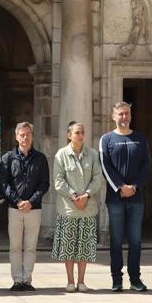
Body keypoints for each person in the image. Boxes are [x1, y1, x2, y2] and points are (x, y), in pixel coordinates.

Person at [99, 101, 152, 291]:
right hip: (115, 199)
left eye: (127, 113)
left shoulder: (141, 138)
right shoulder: (106, 139)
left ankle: (135, 279)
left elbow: (147, 166)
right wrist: (120, 187)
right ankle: (116, 279)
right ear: (114, 117)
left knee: (136, 241)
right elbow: (105, 166)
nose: (124, 117)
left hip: (136, 198)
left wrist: (135, 186)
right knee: (116, 240)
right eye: (120, 114)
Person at [52, 121, 106, 291]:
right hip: (68, 208)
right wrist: (74, 196)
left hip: (88, 208)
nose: (80, 135)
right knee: (68, 246)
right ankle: (70, 281)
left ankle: (81, 281)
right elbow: (58, 181)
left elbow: (98, 178)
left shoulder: (93, 154)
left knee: (84, 246)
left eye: (82, 132)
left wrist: (87, 195)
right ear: (69, 135)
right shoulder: (61, 154)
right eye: (77, 132)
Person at [0, 121, 50, 291]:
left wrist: (31, 201)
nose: (25, 138)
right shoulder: (8, 158)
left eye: (28, 134)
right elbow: (4, 184)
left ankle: (27, 279)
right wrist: (18, 201)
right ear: (16, 137)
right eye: (22, 135)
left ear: (32, 137)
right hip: (15, 209)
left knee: (30, 247)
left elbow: (45, 184)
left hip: (33, 209)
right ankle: (17, 280)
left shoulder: (41, 158)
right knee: (15, 246)